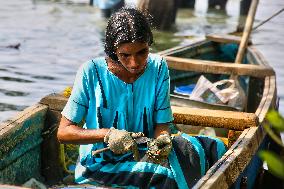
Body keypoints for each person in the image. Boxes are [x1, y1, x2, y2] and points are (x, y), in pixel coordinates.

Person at [57, 8, 227, 189]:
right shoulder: (91, 72)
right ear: (114, 51)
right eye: (125, 55)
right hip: (101, 164)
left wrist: (163, 141)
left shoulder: (159, 67)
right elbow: (64, 132)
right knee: (168, 178)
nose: (134, 63)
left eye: (142, 52)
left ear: (149, 45)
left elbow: (162, 125)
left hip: (147, 152)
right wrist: (107, 134)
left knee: (214, 149)